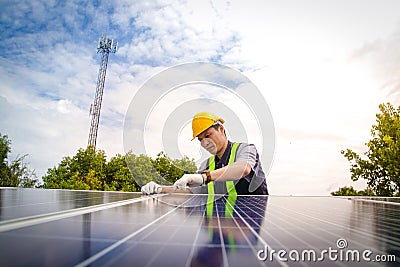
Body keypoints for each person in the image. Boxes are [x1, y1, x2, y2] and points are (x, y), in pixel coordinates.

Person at [141, 112, 269, 195]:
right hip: (218, 226)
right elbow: (190, 192)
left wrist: (204, 177)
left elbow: (243, 169)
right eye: (201, 140)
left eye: (208, 135)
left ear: (221, 129)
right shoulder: (206, 165)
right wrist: (159, 188)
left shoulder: (245, 149)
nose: (205, 143)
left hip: (250, 224)